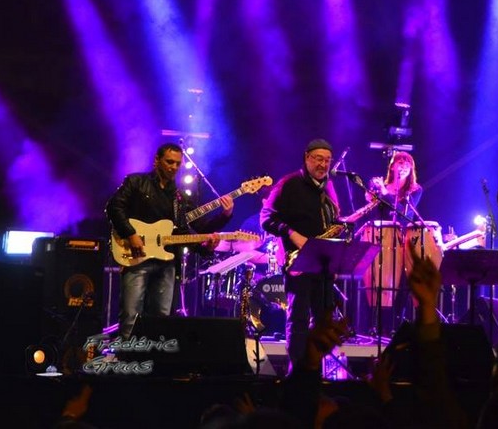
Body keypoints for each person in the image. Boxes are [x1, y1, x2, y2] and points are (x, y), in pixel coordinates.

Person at [105, 142, 234, 338]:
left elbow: (200, 228)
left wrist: (225, 215)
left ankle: (155, 356)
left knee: (161, 319)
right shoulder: (136, 182)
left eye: (177, 163)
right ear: (157, 161)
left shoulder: (179, 197)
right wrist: (131, 234)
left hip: (167, 262)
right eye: (169, 162)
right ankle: (127, 355)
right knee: (131, 316)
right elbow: (114, 207)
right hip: (137, 257)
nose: (174, 167)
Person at [260, 138, 343, 373]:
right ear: (306, 157)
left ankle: (316, 369)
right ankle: (297, 372)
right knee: (298, 318)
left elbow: (334, 222)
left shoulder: (328, 188)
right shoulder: (289, 184)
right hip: (298, 261)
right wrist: (291, 233)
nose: (323, 164)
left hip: (324, 264)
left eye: (327, 160)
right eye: (318, 159)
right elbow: (266, 218)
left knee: (324, 320)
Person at [366, 150, 423, 223]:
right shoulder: (383, 187)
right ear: (392, 167)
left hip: (403, 229)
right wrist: (371, 198)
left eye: (407, 165)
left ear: (410, 170)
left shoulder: (415, 189)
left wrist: (385, 193)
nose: (404, 167)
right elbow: (376, 214)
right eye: (400, 163)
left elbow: (403, 212)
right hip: (383, 228)